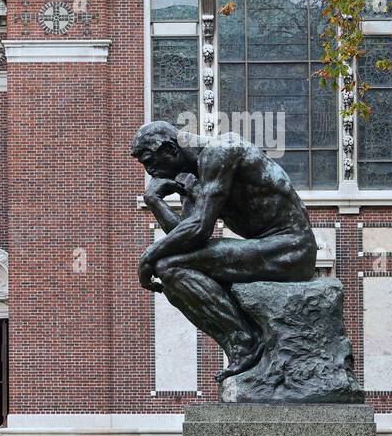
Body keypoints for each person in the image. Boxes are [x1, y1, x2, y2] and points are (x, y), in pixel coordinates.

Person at [130, 121, 316, 382]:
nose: (151, 172)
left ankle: (245, 342)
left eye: (150, 162)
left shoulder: (220, 151)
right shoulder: (191, 178)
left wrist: (149, 256)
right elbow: (186, 236)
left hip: (292, 247)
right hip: (265, 247)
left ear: (171, 148)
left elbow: (199, 230)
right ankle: (241, 341)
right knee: (169, 268)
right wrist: (155, 201)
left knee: (167, 265)